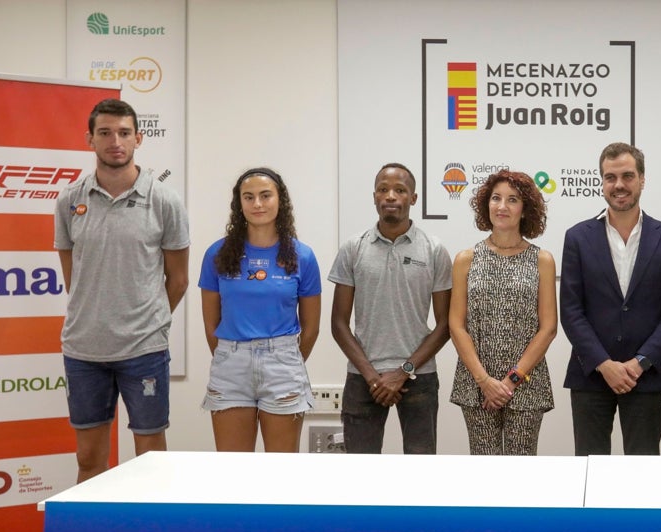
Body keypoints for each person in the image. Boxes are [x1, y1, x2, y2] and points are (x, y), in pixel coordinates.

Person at [55, 98, 189, 483]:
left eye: (125, 133)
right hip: (84, 350)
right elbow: (73, 277)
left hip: (143, 350)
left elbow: (177, 279)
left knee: (150, 462)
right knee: (88, 460)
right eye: (105, 133)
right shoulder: (69, 201)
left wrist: (148, 319)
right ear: (89, 140)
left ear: (138, 138)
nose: (116, 141)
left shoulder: (164, 200)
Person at [559, 142, 661, 455]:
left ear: (642, 180)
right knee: (589, 469)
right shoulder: (578, 237)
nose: (619, 185)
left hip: (645, 378)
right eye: (610, 177)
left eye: (628, 176)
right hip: (591, 374)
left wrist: (639, 363)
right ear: (602, 182)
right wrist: (604, 365)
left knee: (641, 474)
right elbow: (571, 311)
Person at [329, 163, 452, 453]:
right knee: (361, 475)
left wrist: (404, 371)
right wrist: (372, 376)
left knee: (420, 473)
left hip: (418, 377)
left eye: (400, 190)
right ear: (374, 197)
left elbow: (445, 324)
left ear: (413, 198)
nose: (391, 196)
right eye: (383, 189)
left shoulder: (433, 250)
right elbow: (338, 323)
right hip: (363, 378)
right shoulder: (353, 247)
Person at [198, 167, 320, 452]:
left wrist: (286, 358)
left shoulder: (303, 256)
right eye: (248, 197)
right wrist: (232, 354)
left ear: (280, 200)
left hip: (283, 366)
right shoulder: (217, 254)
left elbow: (311, 327)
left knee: (280, 473)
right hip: (230, 366)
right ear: (239, 204)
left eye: (266, 196)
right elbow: (210, 323)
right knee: (233, 472)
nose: (257, 204)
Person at [449, 170, 557, 455]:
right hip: (476, 385)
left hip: (525, 386)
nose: (502, 206)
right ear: (486, 205)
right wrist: (485, 381)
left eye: (512, 200)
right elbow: (456, 326)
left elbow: (548, 328)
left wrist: (511, 380)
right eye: (496, 198)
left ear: (525, 210)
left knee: (521, 475)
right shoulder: (465, 259)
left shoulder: (542, 260)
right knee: (484, 474)